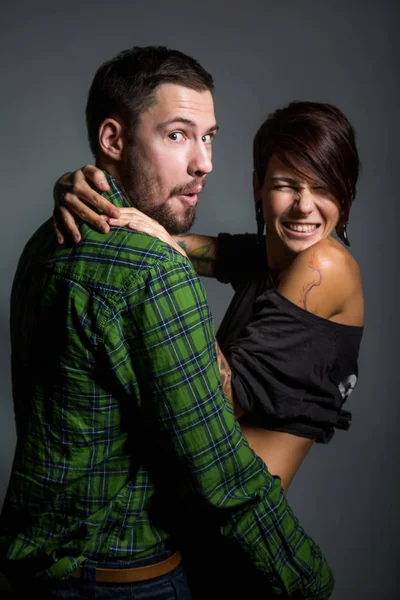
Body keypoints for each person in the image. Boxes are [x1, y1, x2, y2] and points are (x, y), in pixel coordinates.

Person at [0, 46, 335, 600]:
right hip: (127, 582)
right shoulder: (155, 273)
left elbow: (251, 255)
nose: (203, 161)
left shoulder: (48, 237)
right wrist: (310, 582)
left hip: (36, 572)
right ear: (113, 140)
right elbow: (223, 477)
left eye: (209, 137)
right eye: (178, 135)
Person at [54, 100, 364, 493]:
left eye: (323, 188)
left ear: (346, 191)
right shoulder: (270, 255)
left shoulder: (324, 265)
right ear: (258, 185)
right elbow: (151, 238)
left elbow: (220, 405)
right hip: (195, 500)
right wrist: (76, 187)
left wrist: (166, 264)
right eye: (286, 185)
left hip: (231, 517)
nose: (304, 206)